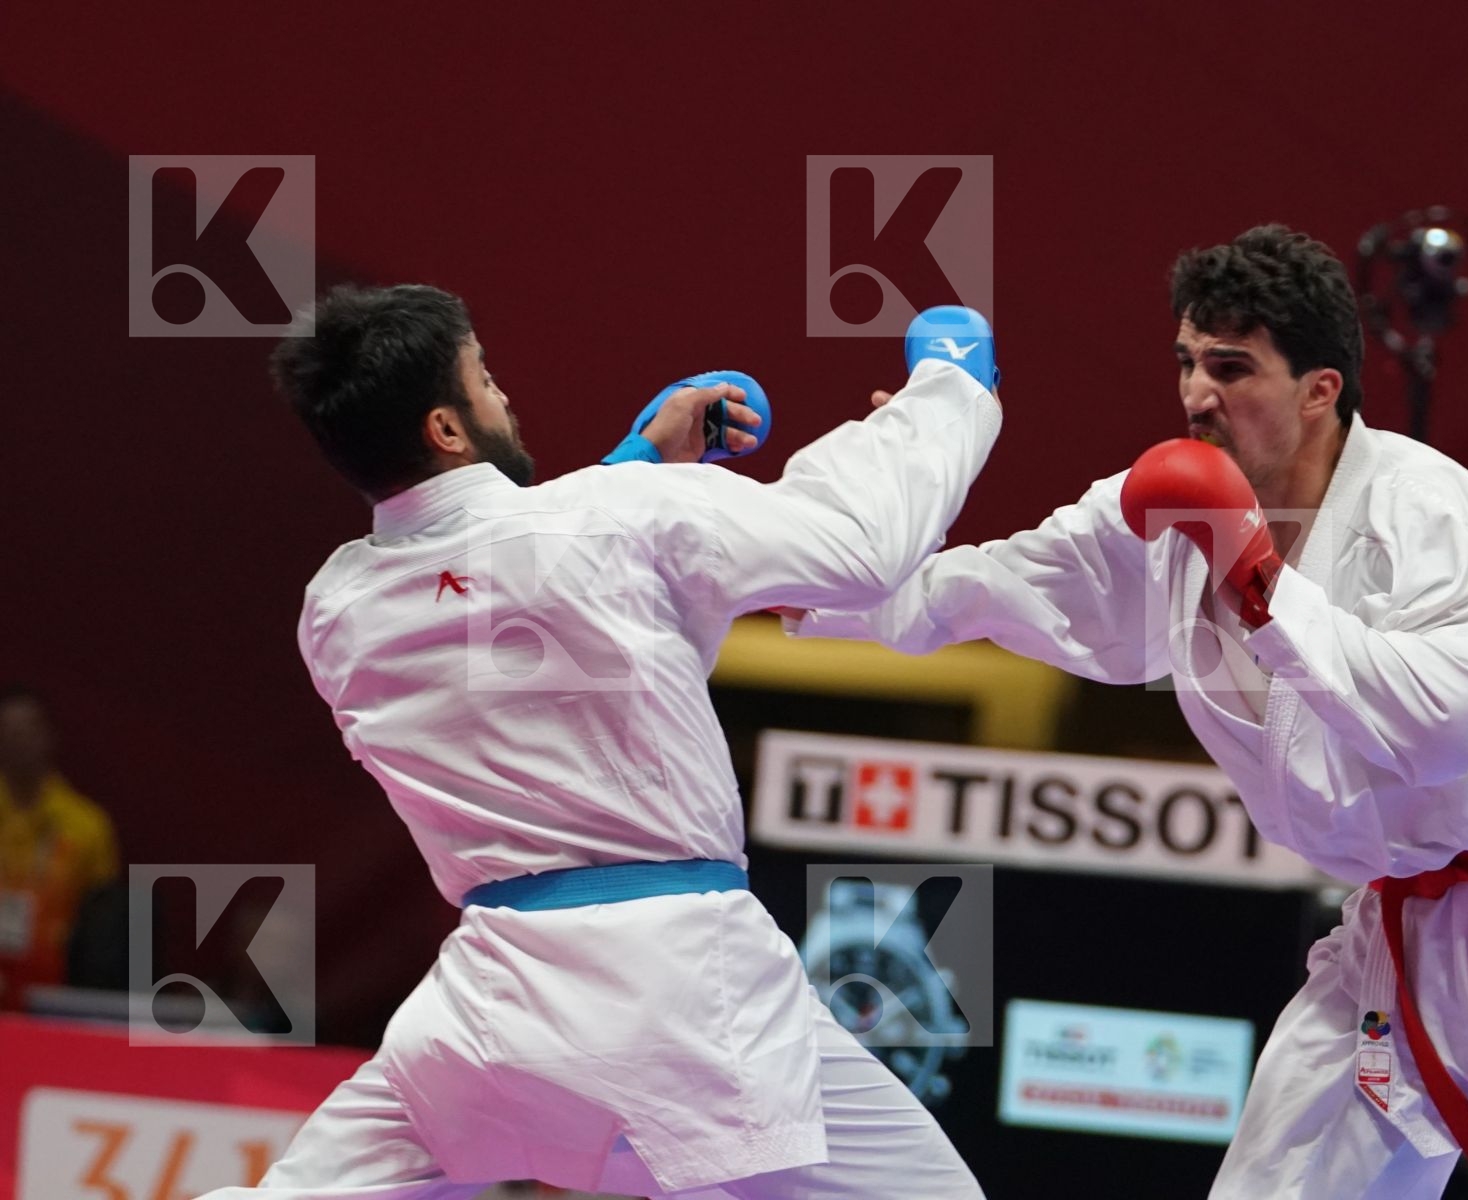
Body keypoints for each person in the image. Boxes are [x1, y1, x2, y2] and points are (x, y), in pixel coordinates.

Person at [789, 227, 1468, 1198]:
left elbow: (1441, 733)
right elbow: (983, 590)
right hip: (1401, 936)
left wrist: (1263, 582)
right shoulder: (1164, 515)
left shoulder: (1434, 512)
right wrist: (800, 589)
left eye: (1231, 368)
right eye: (1187, 361)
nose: (1196, 392)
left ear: (1320, 390)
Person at [208, 284, 1001, 1199]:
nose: (506, 398)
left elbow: (525, 610)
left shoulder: (335, 610)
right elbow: (860, 547)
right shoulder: (617, 515)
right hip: (681, 995)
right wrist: (949, 388)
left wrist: (635, 465)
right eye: (486, 380)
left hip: (486, 1013)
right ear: (448, 428)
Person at [0, 684, 120, 1009]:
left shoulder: (87, 826)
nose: (17, 741)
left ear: (50, 736)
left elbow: (103, 930)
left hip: (57, 994)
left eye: (27, 730)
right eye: (8, 731)